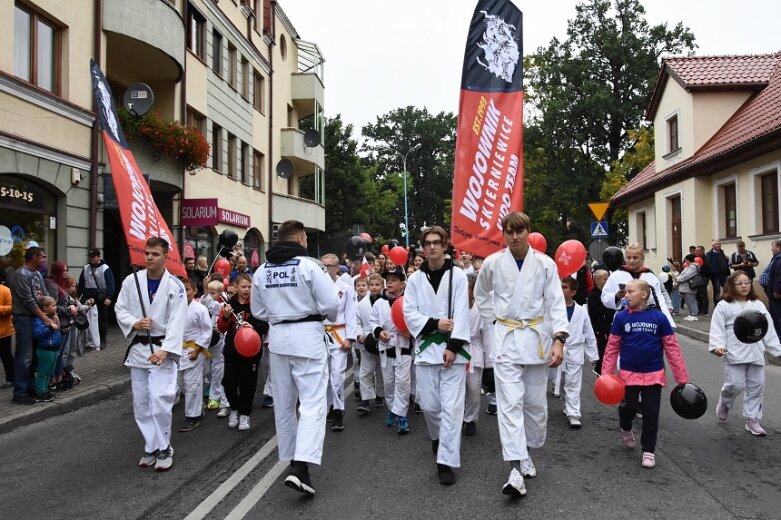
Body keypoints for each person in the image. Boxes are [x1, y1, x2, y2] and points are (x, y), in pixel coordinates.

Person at [474, 212, 568, 497]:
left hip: (536, 339)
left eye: (519, 231)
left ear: (528, 231)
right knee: (509, 404)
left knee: (535, 405)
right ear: (503, 234)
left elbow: (555, 303)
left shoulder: (545, 264)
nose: (514, 236)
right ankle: (515, 470)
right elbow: (481, 295)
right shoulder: (492, 264)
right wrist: (494, 321)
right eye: (509, 231)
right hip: (506, 338)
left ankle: (526, 450)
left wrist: (559, 339)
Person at [250, 220, 339, 496]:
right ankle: (301, 467)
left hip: (278, 339)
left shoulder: (262, 270)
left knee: (284, 404)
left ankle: (291, 459)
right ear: (301, 238)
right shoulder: (309, 266)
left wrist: (280, 315)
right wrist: (315, 313)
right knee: (312, 403)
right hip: (307, 337)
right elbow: (331, 305)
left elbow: (257, 311)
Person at [114, 237, 188, 472]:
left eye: (155, 254)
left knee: (160, 400)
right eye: (146, 253)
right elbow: (120, 308)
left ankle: (165, 446)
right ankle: (151, 445)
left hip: (163, 350)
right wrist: (134, 322)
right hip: (139, 351)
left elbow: (178, 321)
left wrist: (167, 350)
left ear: (165, 256)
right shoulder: (131, 281)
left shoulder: (175, 287)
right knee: (142, 402)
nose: (149, 257)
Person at [405, 225, 471, 486]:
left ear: (445, 247)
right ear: (423, 248)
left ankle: (445, 462)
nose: (432, 247)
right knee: (431, 407)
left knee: (452, 409)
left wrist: (453, 347)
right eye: (427, 243)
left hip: (452, 352)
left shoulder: (458, 276)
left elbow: (462, 314)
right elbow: (409, 313)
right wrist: (435, 323)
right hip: (425, 351)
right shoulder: (414, 280)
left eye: (437, 243)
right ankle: (437, 437)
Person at [602, 279, 689, 469]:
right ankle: (625, 427)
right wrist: (606, 375)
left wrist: (681, 377)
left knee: (651, 413)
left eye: (630, 292)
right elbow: (612, 347)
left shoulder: (659, 318)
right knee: (629, 407)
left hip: (653, 373)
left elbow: (672, 348)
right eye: (625, 292)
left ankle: (648, 450)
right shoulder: (621, 318)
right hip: (628, 373)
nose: (625, 295)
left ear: (643, 295)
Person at [710, 271, 781, 436]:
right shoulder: (724, 305)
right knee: (735, 385)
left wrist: (777, 350)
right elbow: (717, 328)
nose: (744, 286)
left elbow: (768, 330)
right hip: (734, 351)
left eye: (747, 282)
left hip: (755, 352)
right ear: (731, 286)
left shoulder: (758, 305)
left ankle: (752, 419)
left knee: (756, 386)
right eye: (739, 283)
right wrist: (718, 346)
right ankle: (725, 402)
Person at [217, 273, 269, 432]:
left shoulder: (257, 304)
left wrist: (253, 327)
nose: (247, 290)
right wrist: (225, 317)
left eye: (249, 286)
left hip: (251, 350)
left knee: (248, 383)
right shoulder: (229, 305)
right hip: (232, 350)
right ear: (236, 287)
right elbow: (221, 328)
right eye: (243, 286)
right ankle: (234, 408)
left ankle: (245, 413)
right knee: (229, 383)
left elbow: (265, 325)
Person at [551, 277, 599, 428]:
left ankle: (573, 413)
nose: (560, 289)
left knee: (572, 383)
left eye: (564, 287)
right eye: (559, 286)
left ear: (573, 292)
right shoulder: (551, 308)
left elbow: (589, 333)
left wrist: (593, 355)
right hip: (554, 350)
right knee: (558, 381)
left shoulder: (581, 311)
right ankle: (559, 405)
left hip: (574, 350)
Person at [370, 267, 413, 433]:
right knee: (389, 383)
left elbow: (417, 320)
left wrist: (410, 331)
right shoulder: (379, 303)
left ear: (402, 284)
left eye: (394, 280)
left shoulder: (409, 301)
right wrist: (379, 332)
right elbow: (372, 321)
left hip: (403, 347)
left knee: (402, 383)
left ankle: (402, 416)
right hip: (386, 347)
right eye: (388, 280)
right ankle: (392, 411)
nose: (389, 283)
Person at [319, 252, 357, 432]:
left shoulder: (346, 288)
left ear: (337, 267)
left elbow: (351, 313)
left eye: (329, 266)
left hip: (339, 334)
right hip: (319, 334)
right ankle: (328, 407)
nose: (326, 269)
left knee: (337, 375)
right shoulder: (316, 287)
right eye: (323, 266)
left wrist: (349, 338)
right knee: (323, 376)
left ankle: (338, 411)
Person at [10, 247, 51, 404]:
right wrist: (45, 319)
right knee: (24, 356)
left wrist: (51, 313)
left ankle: (30, 387)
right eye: (42, 257)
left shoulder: (37, 274)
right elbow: (29, 301)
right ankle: (19, 392)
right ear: (34, 257)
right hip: (24, 319)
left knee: (33, 356)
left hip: (36, 318)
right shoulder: (21, 275)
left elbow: (44, 295)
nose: (44, 260)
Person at [601, 243, 675, 327]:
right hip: (625, 322)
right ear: (625, 258)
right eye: (629, 258)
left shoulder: (650, 276)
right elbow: (605, 297)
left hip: (648, 322)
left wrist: (667, 323)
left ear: (642, 258)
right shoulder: (616, 276)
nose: (632, 261)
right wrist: (616, 297)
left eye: (635, 258)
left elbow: (659, 299)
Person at [177, 277, 213, 432]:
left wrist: (197, 350)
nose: (183, 293)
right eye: (181, 290)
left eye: (187, 289)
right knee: (180, 383)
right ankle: (198, 406)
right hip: (178, 350)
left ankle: (193, 417)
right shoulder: (174, 308)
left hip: (194, 350)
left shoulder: (200, 309)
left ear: (195, 290)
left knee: (192, 385)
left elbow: (207, 331)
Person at [463, 272, 491, 436]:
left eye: (469, 288)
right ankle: (458, 417)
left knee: (473, 389)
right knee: (457, 389)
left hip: (475, 351)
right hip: (457, 350)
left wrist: (489, 364)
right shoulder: (453, 307)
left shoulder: (481, 309)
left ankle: (471, 419)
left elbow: (487, 337)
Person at [200, 279, 231, 417]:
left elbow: (209, 304)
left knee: (217, 368)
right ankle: (209, 389)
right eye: (209, 292)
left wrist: (206, 289)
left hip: (219, 339)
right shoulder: (205, 304)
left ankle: (215, 396)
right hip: (206, 340)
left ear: (219, 293)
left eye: (213, 293)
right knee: (206, 368)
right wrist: (205, 289)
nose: (210, 295)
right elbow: (205, 301)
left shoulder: (222, 305)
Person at [355, 274, 385, 414]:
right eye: (371, 285)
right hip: (366, 340)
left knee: (381, 371)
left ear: (382, 286)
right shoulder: (361, 305)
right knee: (365, 371)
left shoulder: (387, 301)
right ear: (368, 286)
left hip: (384, 340)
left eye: (377, 285)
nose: (374, 287)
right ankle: (365, 400)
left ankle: (380, 395)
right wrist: (360, 334)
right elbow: (357, 321)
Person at [77, 249, 115, 350]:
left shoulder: (105, 268)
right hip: (87, 296)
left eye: (94, 256)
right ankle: (87, 340)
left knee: (101, 319)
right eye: (90, 256)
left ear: (99, 257)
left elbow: (110, 284)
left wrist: (108, 297)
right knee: (84, 318)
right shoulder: (86, 268)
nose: (91, 258)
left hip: (99, 297)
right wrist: (76, 297)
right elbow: (81, 284)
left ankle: (102, 340)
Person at [32, 296, 62, 402]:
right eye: (53, 305)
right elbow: (37, 333)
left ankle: (45, 389)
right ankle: (41, 392)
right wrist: (49, 328)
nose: (56, 307)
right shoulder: (39, 319)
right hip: (45, 349)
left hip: (54, 348)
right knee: (43, 372)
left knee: (49, 371)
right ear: (45, 308)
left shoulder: (54, 317)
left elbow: (58, 331)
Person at [588, 270, 614, 375]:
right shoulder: (593, 295)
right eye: (605, 279)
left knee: (610, 354)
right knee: (602, 354)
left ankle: (609, 374)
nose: (608, 280)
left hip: (611, 327)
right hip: (601, 330)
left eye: (608, 277)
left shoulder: (610, 293)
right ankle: (600, 375)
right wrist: (606, 304)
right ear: (597, 280)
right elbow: (594, 313)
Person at [760, 240, 781, 336]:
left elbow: (779, 276)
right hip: (771, 292)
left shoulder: (779, 259)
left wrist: (777, 290)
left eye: (773, 246)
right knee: (773, 315)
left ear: (779, 247)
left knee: (778, 316)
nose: (771, 249)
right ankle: (776, 335)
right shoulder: (776, 258)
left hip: (776, 294)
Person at [706, 240, 731, 304]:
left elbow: (725, 264)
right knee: (717, 292)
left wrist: (727, 260)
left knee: (728, 290)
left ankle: (726, 304)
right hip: (715, 277)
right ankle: (717, 306)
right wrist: (712, 274)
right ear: (713, 246)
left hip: (724, 275)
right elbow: (709, 265)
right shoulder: (709, 255)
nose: (718, 245)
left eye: (719, 244)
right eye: (716, 244)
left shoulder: (722, 253)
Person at [0, 279, 13, 389]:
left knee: (6, 355)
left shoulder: (5, 290)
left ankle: (11, 378)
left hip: (4, 331)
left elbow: (10, 308)